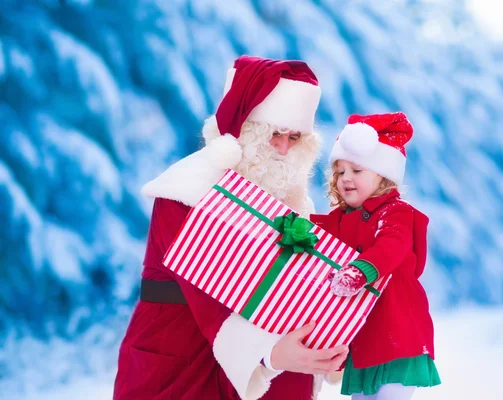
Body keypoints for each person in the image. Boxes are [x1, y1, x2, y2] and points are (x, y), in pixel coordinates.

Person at [113, 55, 348, 400]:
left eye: (294, 137)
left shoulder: (293, 201)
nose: (283, 148)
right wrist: (272, 353)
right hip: (182, 359)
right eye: (274, 134)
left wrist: (329, 340)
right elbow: (207, 291)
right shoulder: (188, 189)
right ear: (245, 130)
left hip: (267, 369)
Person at [310, 112, 441, 400]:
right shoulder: (339, 219)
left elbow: (390, 247)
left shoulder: (397, 213)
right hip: (364, 338)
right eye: (339, 172)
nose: (345, 179)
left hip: (397, 332)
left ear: (384, 175)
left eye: (356, 171)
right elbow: (314, 239)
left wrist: (360, 271)